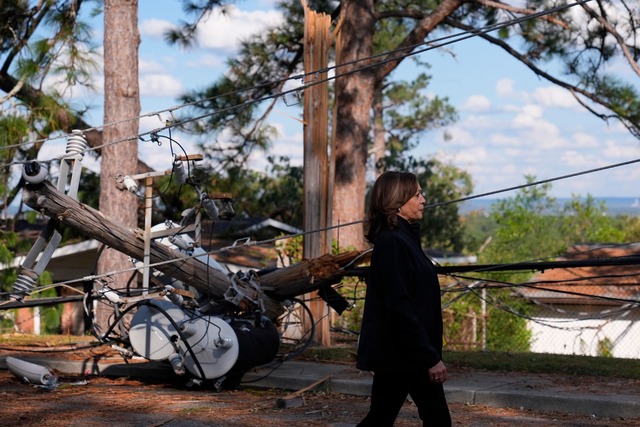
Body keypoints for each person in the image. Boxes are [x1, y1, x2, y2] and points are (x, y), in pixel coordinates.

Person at [356, 170, 451, 427]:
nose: (423, 199)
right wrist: (429, 357)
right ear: (398, 202)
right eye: (417, 194)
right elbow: (399, 307)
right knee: (436, 420)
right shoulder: (393, 243)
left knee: (381, 418)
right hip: (402, 356)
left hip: (406, 354)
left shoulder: (404, 239)